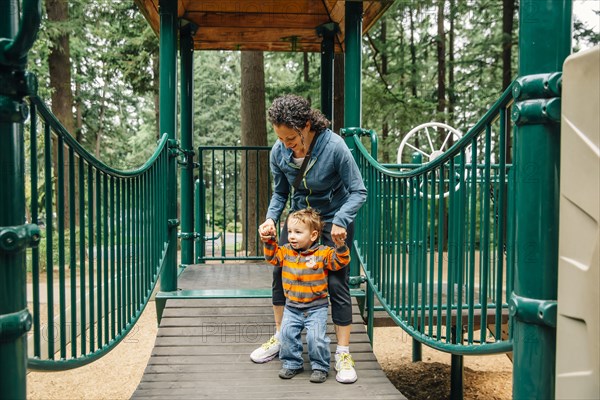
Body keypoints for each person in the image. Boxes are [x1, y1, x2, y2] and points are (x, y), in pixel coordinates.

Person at [250, 94, 367, 384]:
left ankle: (342, 352)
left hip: (334, 219)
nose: (286, 145)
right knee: (280, 274)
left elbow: (358, 191)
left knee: (337, 282)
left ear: (306, 125)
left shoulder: (335, 147)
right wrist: (270, 219)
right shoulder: (279, 151)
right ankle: (280, 338)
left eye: (290, 138)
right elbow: (280, 192)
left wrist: (341, 220)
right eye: (280, 138)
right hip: (302, 218)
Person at [261, 209, 349, 383]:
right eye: (290, 232)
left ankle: (320, 366)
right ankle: (292, 363)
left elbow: (340, 262)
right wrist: (270, 240)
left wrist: (340, 247)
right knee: (286, 335)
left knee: (315, 338)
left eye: (298, 232)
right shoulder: (285, 252)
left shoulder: (323, 253)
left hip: (316, 308)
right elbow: (272, 258)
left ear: (314, 235)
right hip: (292, 307)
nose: (292, 236)